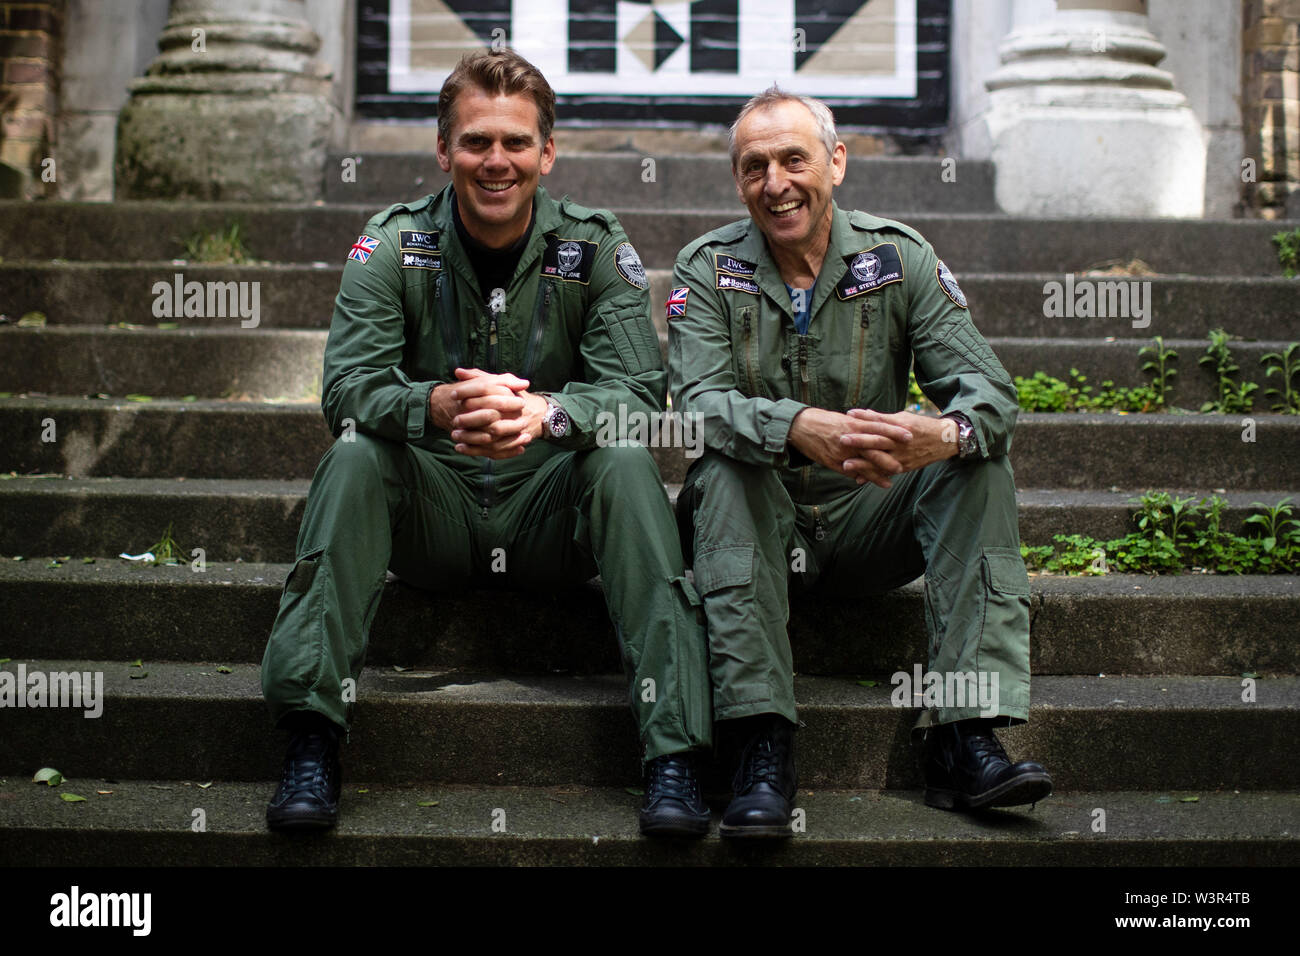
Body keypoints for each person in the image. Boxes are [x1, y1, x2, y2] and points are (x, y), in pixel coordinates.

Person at [261, 48, 712, 837]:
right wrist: (434, 404)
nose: (494, 161)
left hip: (550, 517)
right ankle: (311, 736)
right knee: (356, 454)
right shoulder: (395, 244)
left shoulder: (595, 248)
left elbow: (641, 395)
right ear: (443, 151)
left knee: (626, 459)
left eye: (513, 142)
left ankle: (673, 752)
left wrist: (548, 415)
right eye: (475, 142)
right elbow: (344, 389)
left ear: (547, 151)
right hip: (433, 512)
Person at [668, 87, 1052, 838]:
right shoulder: (708, 268)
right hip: (759, 523)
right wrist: (796, 426)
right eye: (754, 167)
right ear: (738, 180)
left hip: (869, 518)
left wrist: (942, 435)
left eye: (793, 159)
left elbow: (992, 396)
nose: (774, 183)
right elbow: (697, 405)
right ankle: (759, 745)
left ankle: (962, 736)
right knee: (723, 467)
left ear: (836, 162)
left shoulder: (898, 258)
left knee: (977, 462)